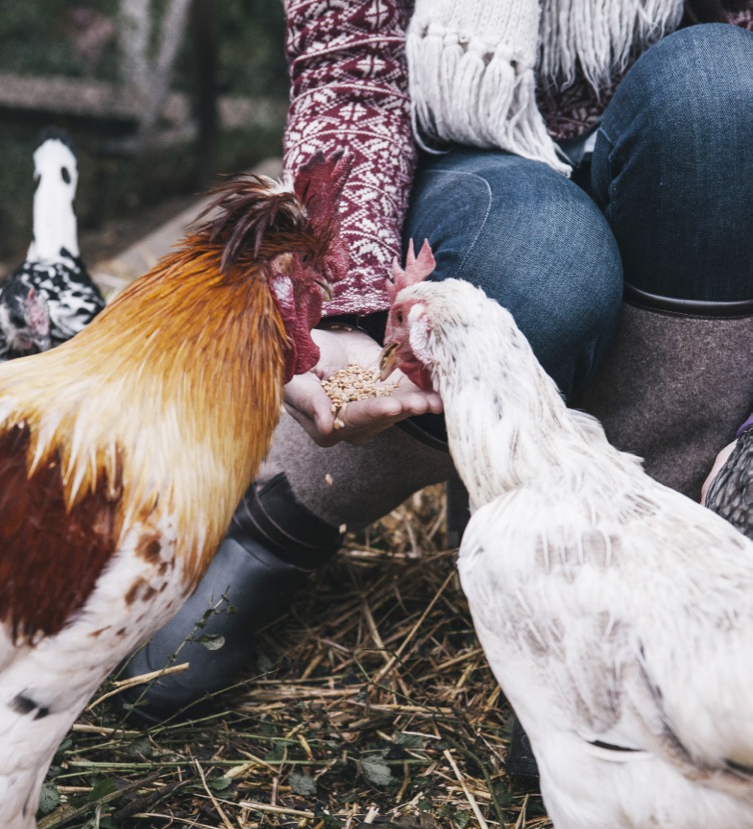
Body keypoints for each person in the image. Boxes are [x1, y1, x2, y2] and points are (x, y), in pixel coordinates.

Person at [120, 1, 753, 746]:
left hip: (695, 178)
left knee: (721, 88)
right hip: (468, 159)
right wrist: (342, 313)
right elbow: (349, 73)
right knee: (546, 264)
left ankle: (632, 586)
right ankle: (285, 511)